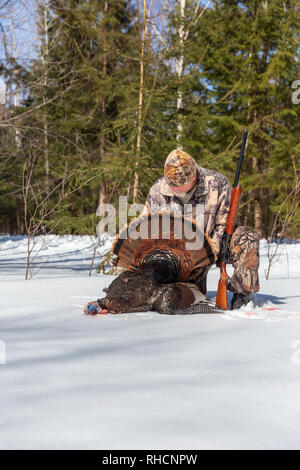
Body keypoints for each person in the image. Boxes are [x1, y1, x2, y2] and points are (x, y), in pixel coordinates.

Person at [142, 149, 260, 309]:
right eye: (172, 184)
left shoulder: (216, 183)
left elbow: (224, 225)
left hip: (212, 246)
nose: (175, 188)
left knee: (247, 236)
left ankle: (242, 294)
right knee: (172, 297)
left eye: (181, 184)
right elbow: (145, 228)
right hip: (176, 260)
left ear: (194, 176)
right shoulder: (159, 189)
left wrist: (209, 251)